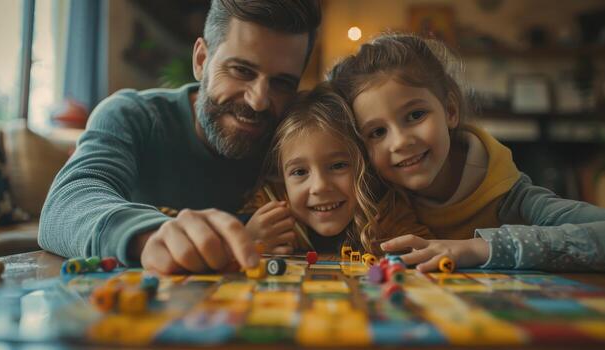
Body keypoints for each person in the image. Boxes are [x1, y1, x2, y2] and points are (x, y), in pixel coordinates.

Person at [38, 0, 321, 274]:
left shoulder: (295, 136)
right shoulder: (133, 116)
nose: (259, 101)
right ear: (201, 60)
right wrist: (150, 236)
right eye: (241, 70)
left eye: (282, 83)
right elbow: (65, 206)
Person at [329, 33, 605, 272]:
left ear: (450, 110)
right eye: (377, 132)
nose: (400, 141)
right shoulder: (373, 198)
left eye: (415, 115)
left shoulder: (510, 195)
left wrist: (480, 248)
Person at [244, 83, 430, 254]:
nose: (320, 186)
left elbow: (426, 252)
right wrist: (249, 242)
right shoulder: (269, 215)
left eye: (338, 166)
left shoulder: (388, 215)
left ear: (364, 164)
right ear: (281, 177)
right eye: (300, 172)